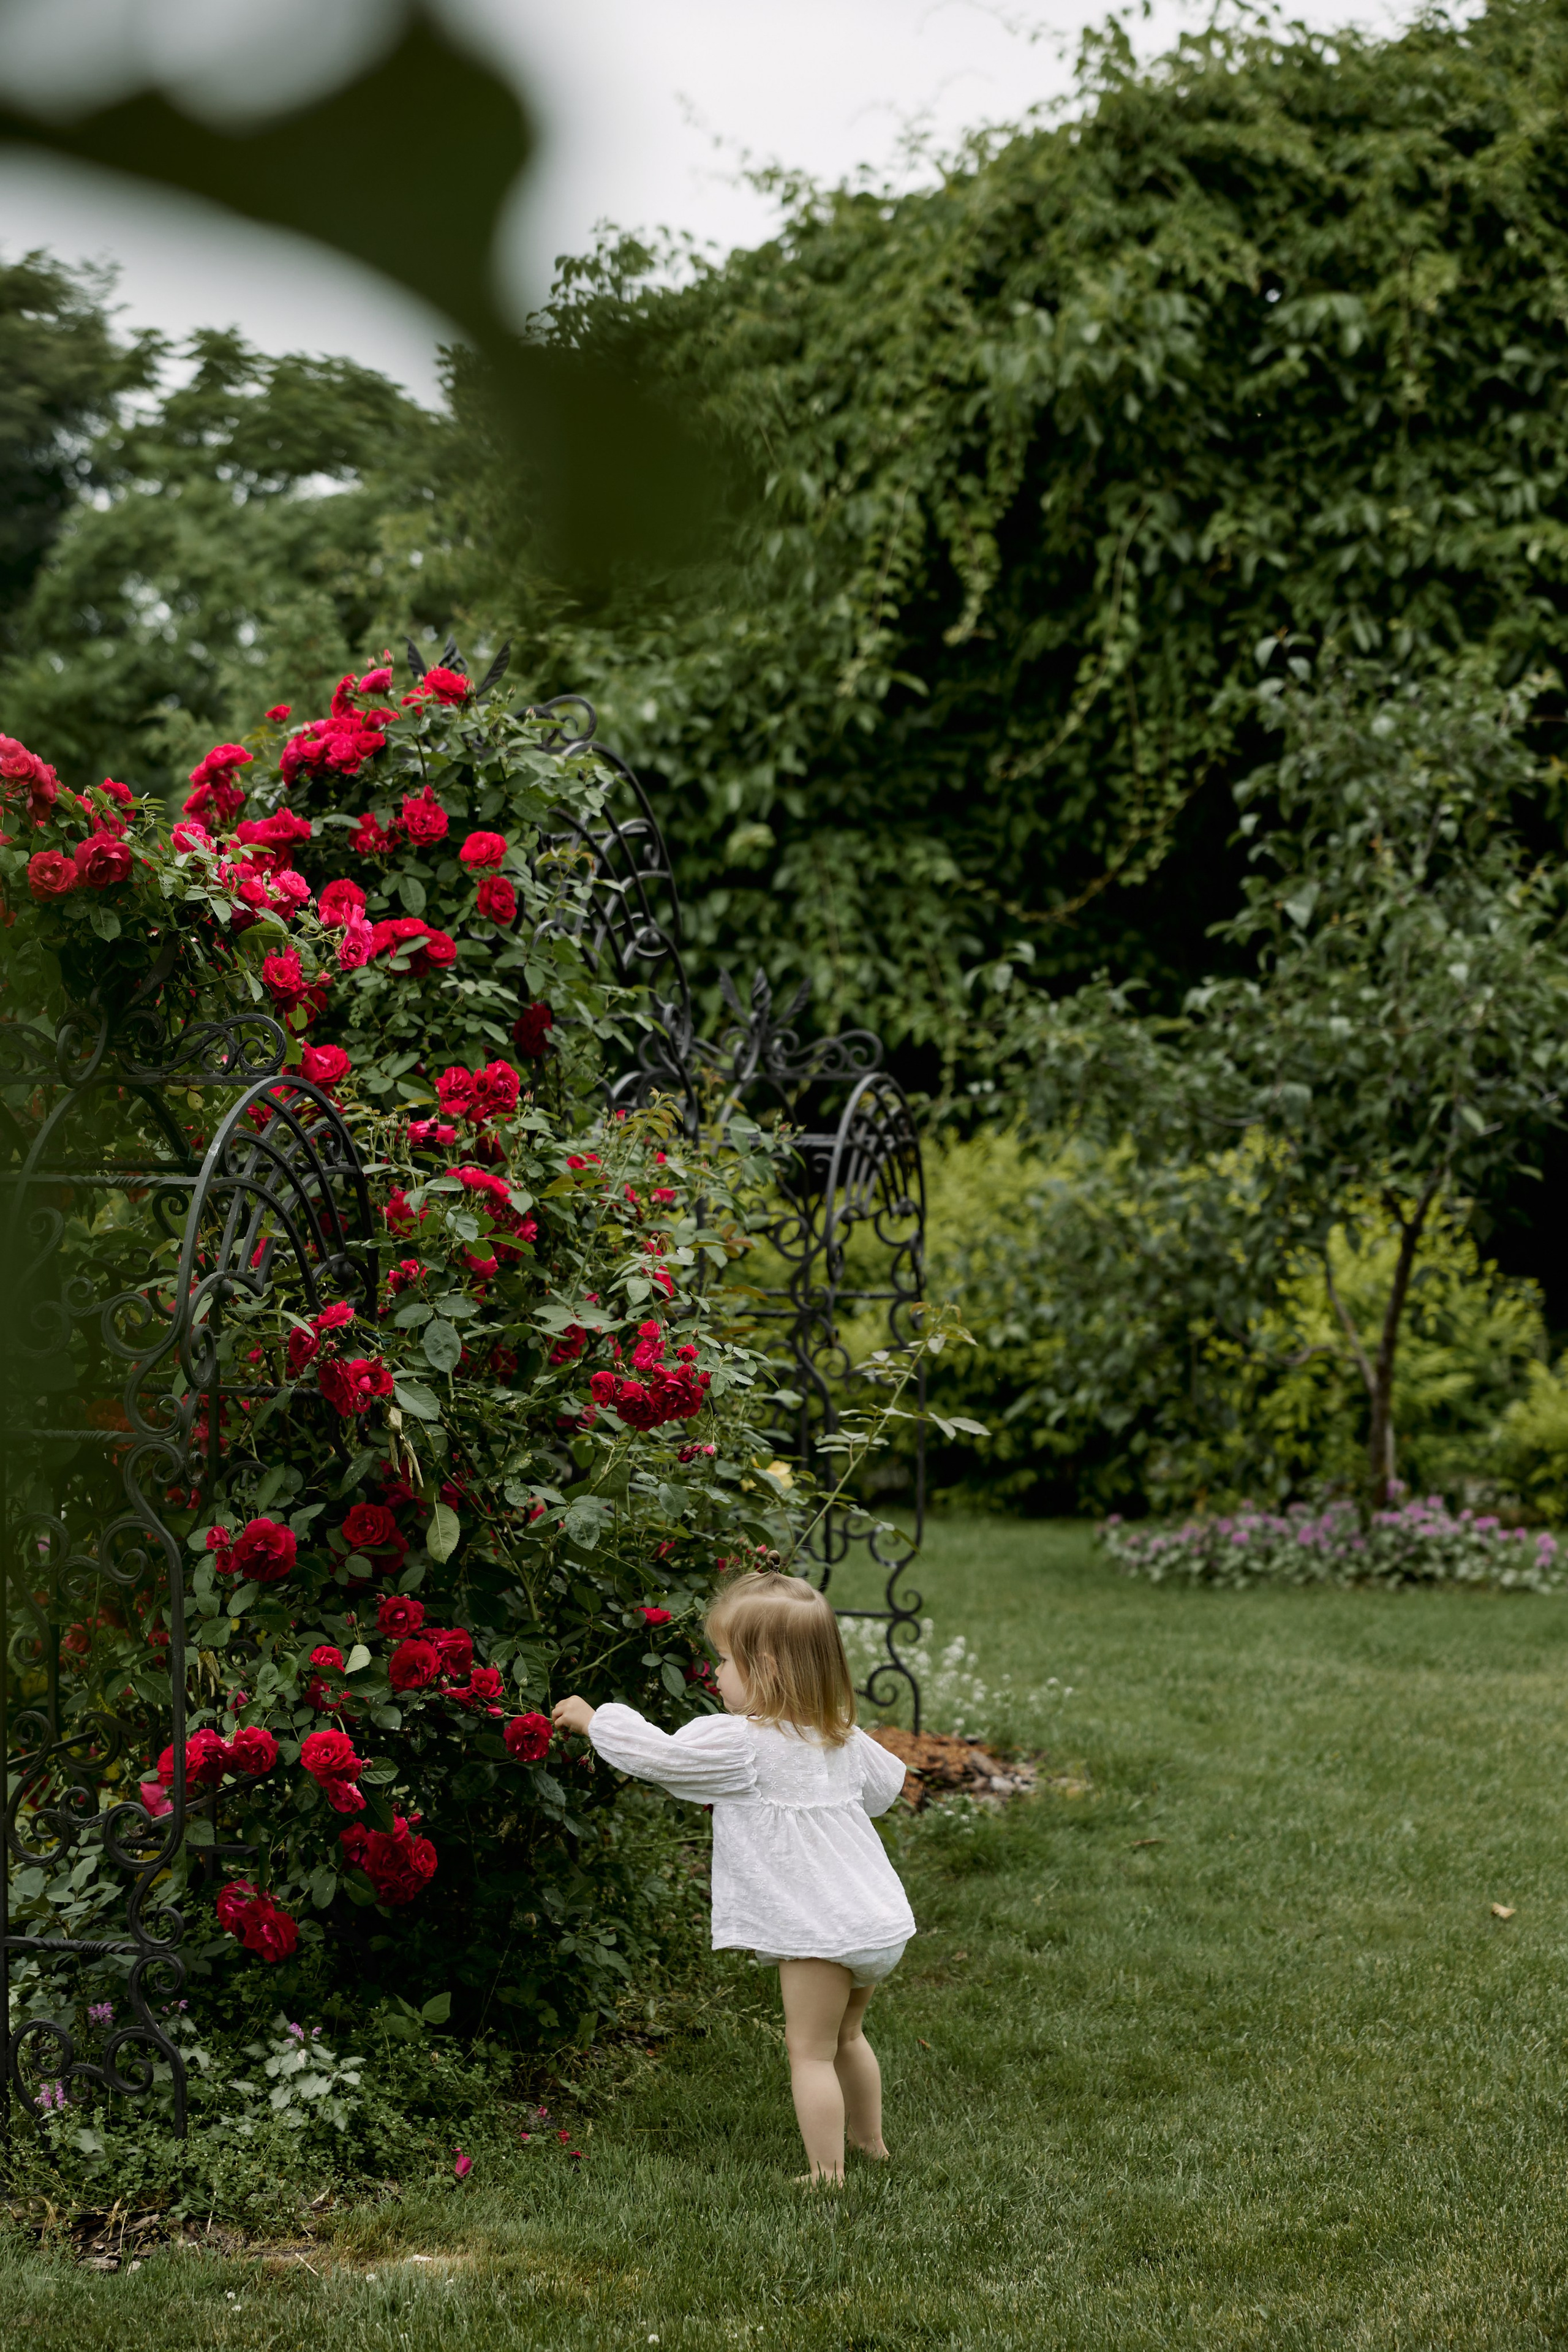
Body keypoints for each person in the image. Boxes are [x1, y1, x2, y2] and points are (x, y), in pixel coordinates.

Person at [550, 1569, 916, 2184]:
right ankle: (871, 2145)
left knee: (809, 2052)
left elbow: (660, 1756)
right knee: (849, 2036)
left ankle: (827, 2176)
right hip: (875, 1921)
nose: (715, 1674)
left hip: (818, 1930)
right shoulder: (842, 1737)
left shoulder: (745, 1745)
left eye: (723, 1661)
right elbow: (888, 1788)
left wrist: (596, 1721)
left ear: (765, 1668)